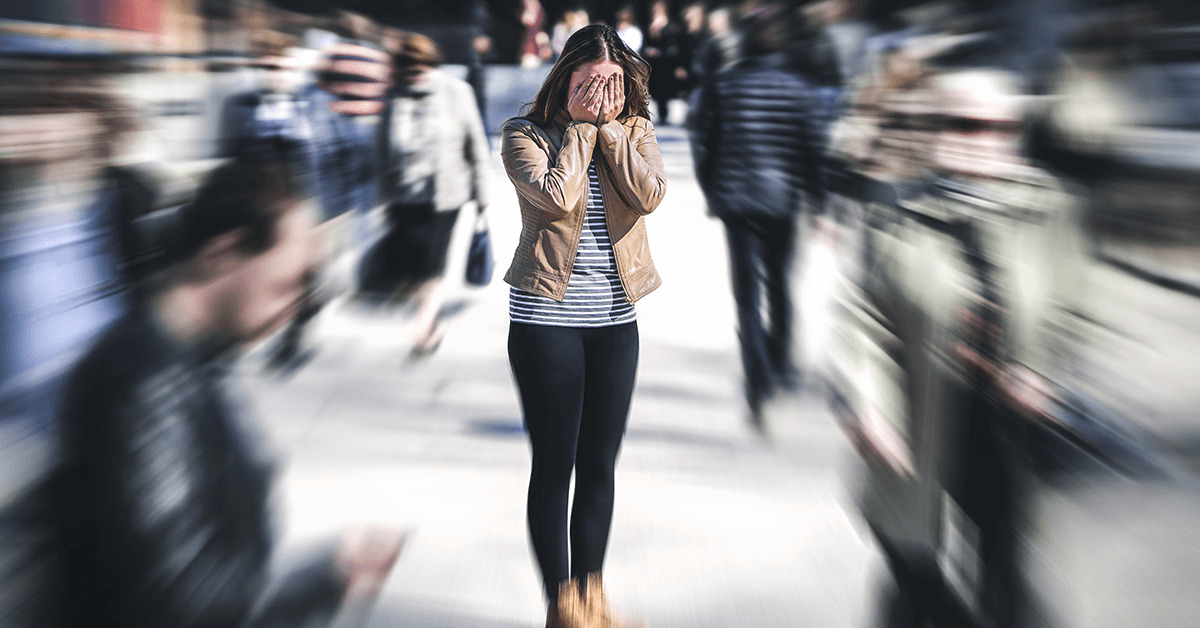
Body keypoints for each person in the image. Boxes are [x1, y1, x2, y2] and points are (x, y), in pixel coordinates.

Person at [47, 158, 404, 627]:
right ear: (224, 253)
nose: (298, 304)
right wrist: (328, 576)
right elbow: (182, 597)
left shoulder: (193, 360)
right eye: (288, 283)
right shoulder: (141, 385)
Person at [499, 24, 665, 628]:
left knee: (600, 465)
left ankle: (592, 598)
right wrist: (579, 129)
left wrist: (611, 133)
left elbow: (649, 195)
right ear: (564, 78)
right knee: (555, 465)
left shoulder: (636, 131)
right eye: (590, 82)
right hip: (547, 322)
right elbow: (557, 196)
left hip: (616, 322)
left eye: (613, 82)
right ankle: (562, 605)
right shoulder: (524, 135)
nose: (602, 94)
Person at [692, 6, 824, 431]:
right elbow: (812, 149)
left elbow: (704, 143)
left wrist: (712, 190)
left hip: (737, 203)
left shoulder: (722, 86)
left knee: (747, 297)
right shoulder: (797, 88)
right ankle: (780, 362)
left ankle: (757, 379)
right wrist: (818, 201)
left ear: (743, 42)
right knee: (780, 284)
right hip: (782, 202)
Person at [375, 32, 490, 358]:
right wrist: (382, 198)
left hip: (445, 196)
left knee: (431, 265)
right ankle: (426, 313)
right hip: (404, 197)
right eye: (409, 70)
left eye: (421, 68)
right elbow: (381, 149)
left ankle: (424, 330)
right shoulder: (394, 97)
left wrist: (482, 194)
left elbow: (476, 143)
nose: (416, 76)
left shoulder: (456, 92)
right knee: (414, 267)